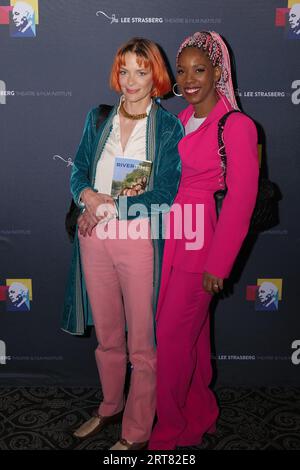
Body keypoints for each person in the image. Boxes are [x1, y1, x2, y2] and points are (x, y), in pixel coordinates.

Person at [62, 37, 183, 450]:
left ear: (156, 75)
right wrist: (86, 197)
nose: (131, 80)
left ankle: (136, 431)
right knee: (109, 337)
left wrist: (109, 204)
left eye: (141, 70)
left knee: (142, 346)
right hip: (94, 241)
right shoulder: (98, 118)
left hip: (138, 242)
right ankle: (111, 405)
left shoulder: (168, 126)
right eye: (125, 69)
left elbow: (165, 192)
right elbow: (78, 169)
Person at [149, 31, 259, 450]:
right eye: (182, 70)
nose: (189, 79)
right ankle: (201, 415)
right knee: (189, 341)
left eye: (199, 69)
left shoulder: (237, 125)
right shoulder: (178, 121)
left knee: (172, 344)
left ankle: (169, 435)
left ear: (218, 71)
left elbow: (242, 200)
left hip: (202, 248)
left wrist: (219, 263)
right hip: (172, 240)